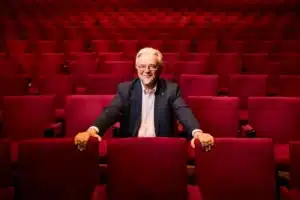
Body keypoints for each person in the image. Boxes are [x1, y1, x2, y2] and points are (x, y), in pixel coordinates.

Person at [74, 47, 214, 151]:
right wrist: (92, 131)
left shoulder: (171, 89)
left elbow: (183, 112)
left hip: (162, 149)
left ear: (160, 69)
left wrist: (198, 133)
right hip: (132, 147)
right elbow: (111, 112)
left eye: (152, 66)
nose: (146, 71)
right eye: (142, 66)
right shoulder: (125, 89)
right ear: (136, 68)